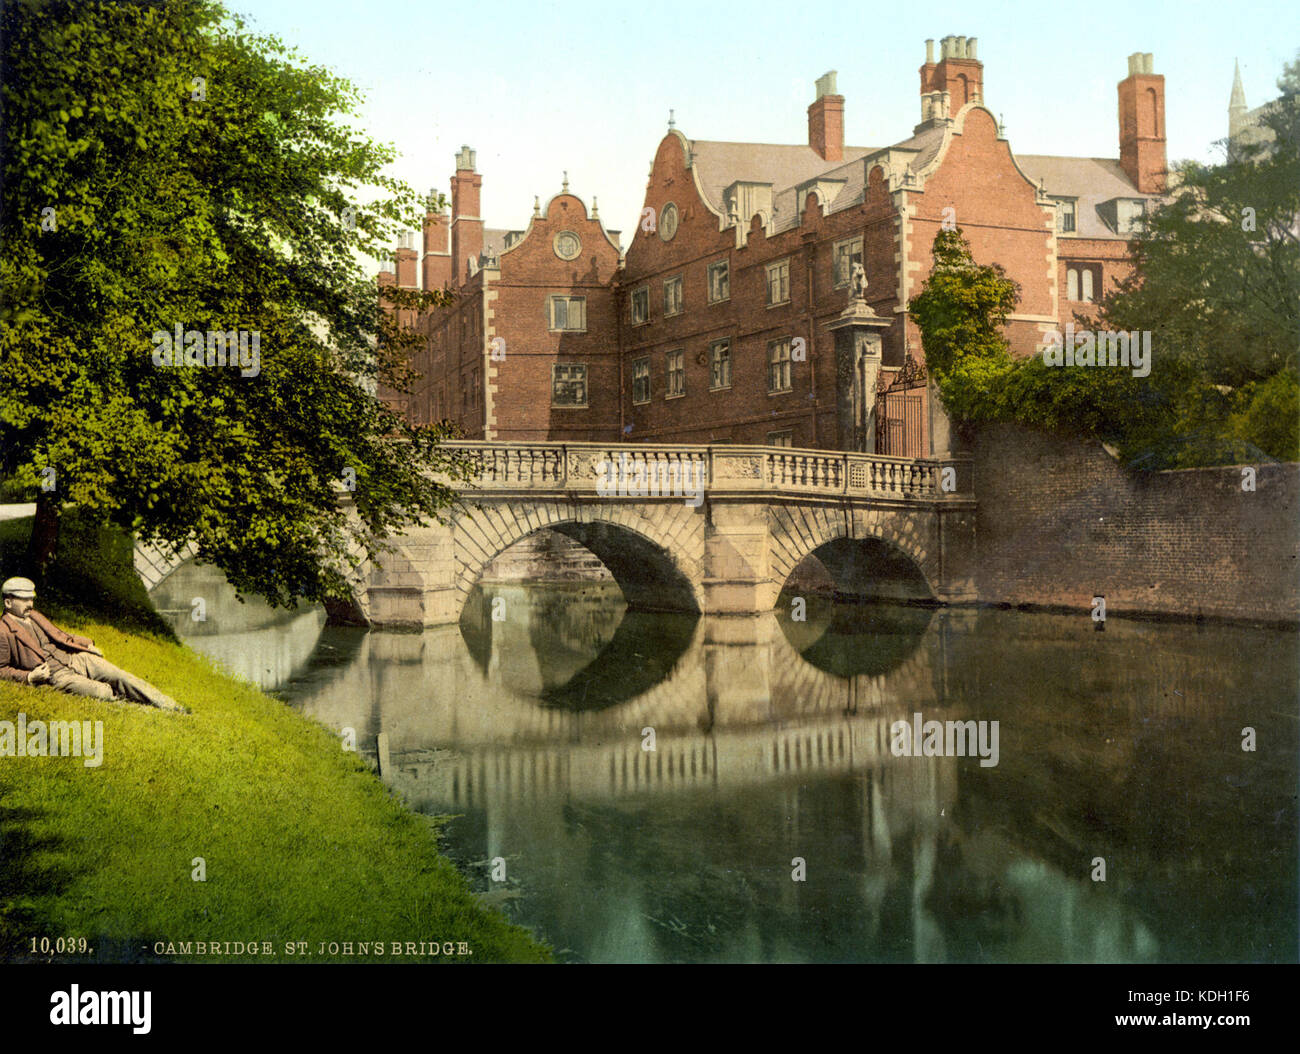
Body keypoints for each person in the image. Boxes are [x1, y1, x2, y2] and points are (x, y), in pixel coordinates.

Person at [0, 576, 188, 713]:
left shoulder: (33, 615)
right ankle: (147, 711)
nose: (30, 604)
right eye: (24, 599)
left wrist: (87, 645)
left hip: (75, 658)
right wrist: (29, 677)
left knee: (120, 676)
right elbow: (1, 669)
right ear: (8, 602)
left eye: (31, 598)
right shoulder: (3, 630)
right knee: (102, 691)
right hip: (57, 675)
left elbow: (60, 635)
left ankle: (171, 706)